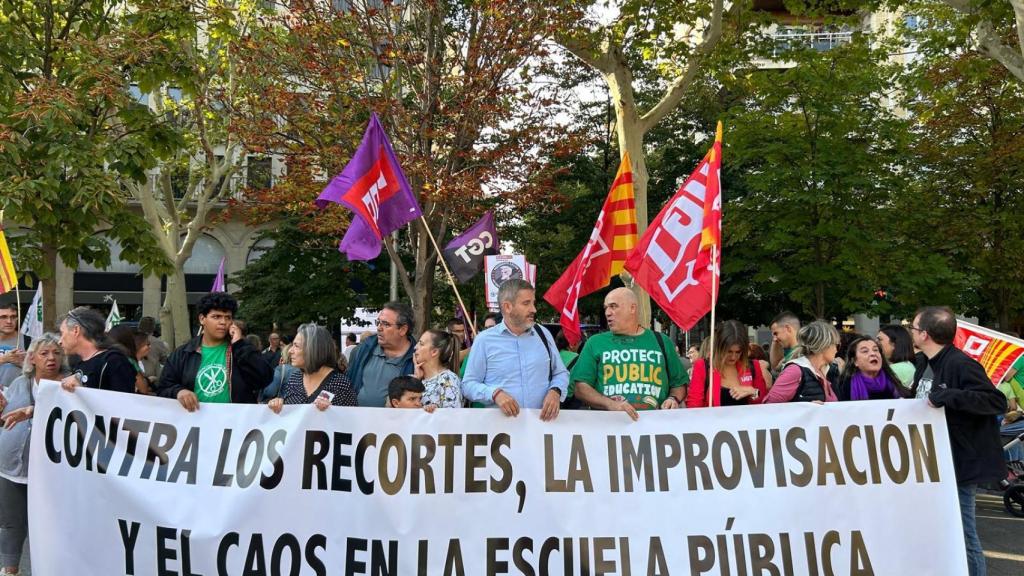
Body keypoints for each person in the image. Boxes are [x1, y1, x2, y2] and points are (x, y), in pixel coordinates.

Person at [909, 306, 1006, 576]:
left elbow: (994, 401)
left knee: (964, 535)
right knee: (945, 533)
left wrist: (950, 395)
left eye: (914, 328)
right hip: (936, 462)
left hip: (960, 464)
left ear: (925, 334)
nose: (912, 333)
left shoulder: (960, 364)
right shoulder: (926, 363)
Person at [0, 333, 67, 576]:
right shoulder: (20, 382)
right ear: (33, 359)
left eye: (57, 353)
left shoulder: (69, 385)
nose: (52, 358)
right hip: (11, 468)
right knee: (10, 524)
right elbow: (4, 419)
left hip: (51, 472)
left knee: (50, 524)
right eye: (45, 353)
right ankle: (10, 570)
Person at [571, 287, 687, 420]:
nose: (608, 312)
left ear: (632, 308)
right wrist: (610, 404)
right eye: (606, 308)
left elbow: (679, 384)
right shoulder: (595, 343)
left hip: (655, 428)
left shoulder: (662, 341)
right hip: (609, 428)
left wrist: (673, 399)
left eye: (614, 306)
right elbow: (580, 388)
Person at [462, 279, 567, 421]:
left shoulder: (544, 334)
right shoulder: (484, 340)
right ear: (507, 307)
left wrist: (556, 391)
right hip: (502, 432)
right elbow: (468, 385)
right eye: (526, 303)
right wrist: (494, 394)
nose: (533, 309)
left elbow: (560, 373)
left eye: (533, 302)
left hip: (540, 428)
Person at [156, 292, 273, 411]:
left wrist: (239, 345)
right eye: (216, 317)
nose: (223, 322)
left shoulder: (241, 349)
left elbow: (264, 379)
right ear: (202, 319)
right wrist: (178, 392)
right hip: (194, 423)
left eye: (227, 317)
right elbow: (163, 388)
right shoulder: (184, 353)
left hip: (235, 424)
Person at [268, 324, 356, 413]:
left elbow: (352, 420)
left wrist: (332, 412)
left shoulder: (340, 384)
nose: (290, 351)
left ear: (313, 349)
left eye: (296, 346)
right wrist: (278, 404)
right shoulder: (295, 378)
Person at [686, 320, 772, 408]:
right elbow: (694, 405)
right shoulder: (703, 366)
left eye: (738, 352)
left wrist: (753, 392)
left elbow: (763, 401)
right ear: (719, 347)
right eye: (729, 351)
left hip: (745, 420)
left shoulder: (753, 366)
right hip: (713, 420)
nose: (733, 357)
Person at [348, 302, 416, 407]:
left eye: (386, 324)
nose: (379, 328)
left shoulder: (416, 358)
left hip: (396, 422)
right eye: (378, 322)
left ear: (403, 330)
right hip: (357, 420)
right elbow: (348, 384)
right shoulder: (363, 350)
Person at [58, 307, 137, 394]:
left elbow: (124, 403)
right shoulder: (78, 363)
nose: (59, 341)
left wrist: (81, 391)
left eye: (62, 333)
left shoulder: (114, 361)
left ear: (76, 330)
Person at [763, 320, 840, 404]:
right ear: (824, 345)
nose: (836, 350)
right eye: (836, 345)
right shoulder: (795, 370)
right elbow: (769, 405)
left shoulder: (825, 370)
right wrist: (804, 408)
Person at [834, 335, 907, 401]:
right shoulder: (844, 385)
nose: (873, 354)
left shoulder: (892, 381)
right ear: (855, 361)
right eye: (865, 351)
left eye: (875, 350)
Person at [413, 329, 463, 409]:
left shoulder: (448, 379)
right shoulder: (417, 378)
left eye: (421, 344)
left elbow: (452, 417)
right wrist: (415, 380)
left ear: (434, 352)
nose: (415, 347)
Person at [106, 324, 152, 395]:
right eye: (147, 344)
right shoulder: (128, 360)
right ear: (128, 339)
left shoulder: (103, 356)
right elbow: (143, 389)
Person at [877, 324, 916, 388]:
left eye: (880, 339)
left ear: (894, 344)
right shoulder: (906, 365)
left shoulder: (898, 369)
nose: (876, 342)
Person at [0, 303, 24, 389]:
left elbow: (41, 371)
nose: (9, 321)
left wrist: (23, 364)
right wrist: (4, 359)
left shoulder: (27, 339)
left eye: (13, 317)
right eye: (3, 317)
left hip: (18, 395)